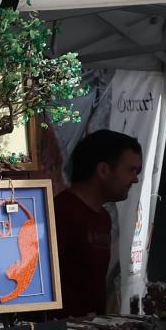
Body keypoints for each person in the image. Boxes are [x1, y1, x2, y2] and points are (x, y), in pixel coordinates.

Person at [57, 129, 142, 315]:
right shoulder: (62, 212)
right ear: (103, 170)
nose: (135, 179)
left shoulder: (103, 216)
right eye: (131, 170)